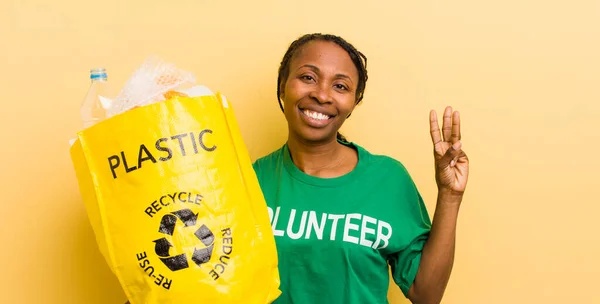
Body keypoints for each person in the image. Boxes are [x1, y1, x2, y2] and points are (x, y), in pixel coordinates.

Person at [252, 33, 469, 304]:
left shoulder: (387, 179)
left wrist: (450, 195)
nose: (321, 94)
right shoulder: (250, 181)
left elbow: (426, 294)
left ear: (355, 101)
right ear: (283, 84)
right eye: (308, 77)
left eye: (340, 86)